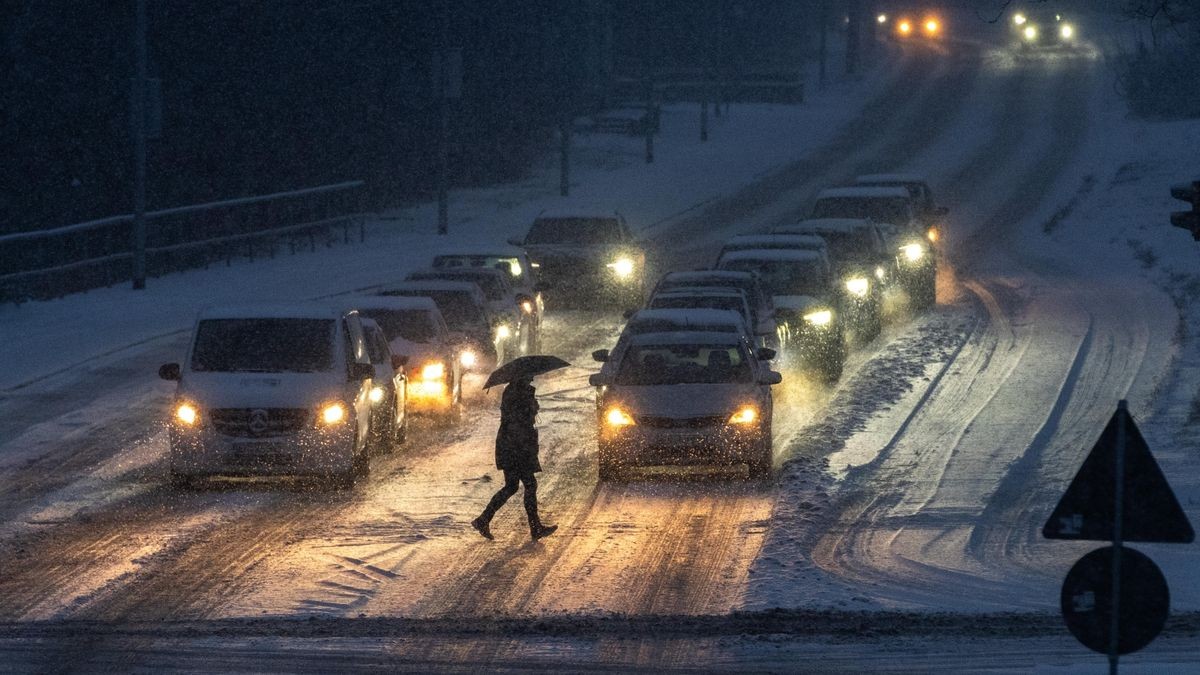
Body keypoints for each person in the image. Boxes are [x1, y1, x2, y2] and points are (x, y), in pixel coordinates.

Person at [472, 375, 557, 541]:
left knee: (512, 486)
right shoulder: (517, 391)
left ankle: (484, 520)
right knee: (528, 484)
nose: (533, 376)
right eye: (530, 373)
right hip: (516, 446)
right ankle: (535, 527)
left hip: (513, 445)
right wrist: (531, 405)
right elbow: (520, 417)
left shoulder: (517, 390)